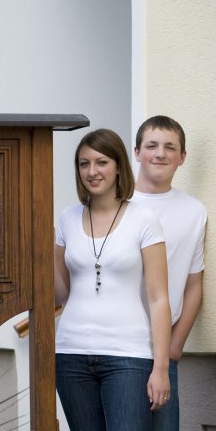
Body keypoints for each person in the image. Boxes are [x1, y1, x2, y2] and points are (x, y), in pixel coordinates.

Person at [54, 128, 172, 430]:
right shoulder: (66, 219)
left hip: (128, 356)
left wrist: (161, 368)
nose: (92, 171)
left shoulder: (143, 219)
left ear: (119, 166)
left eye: (101, 162)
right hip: (71, 354)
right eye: (84, 164)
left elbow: (159, 299)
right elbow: (60, 294)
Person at [131, 115, 207, 431]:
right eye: (151, 145)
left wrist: (175, 345)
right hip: (118, 345)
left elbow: (193, 284)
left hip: (162, 349)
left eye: (170, 147)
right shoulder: (118, 203)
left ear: (182, 157)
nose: (160, 154)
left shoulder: (194, 212)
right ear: (137, 152)